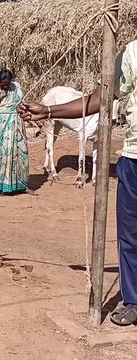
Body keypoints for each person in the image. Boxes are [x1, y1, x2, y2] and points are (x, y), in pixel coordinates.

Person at [18, 39, 136, 326]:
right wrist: (48, 112)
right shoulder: (133, 52)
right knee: (130, 236)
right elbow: (99, 99)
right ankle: (133, 300)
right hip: (134, 159)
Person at [0, 69, 36, 196]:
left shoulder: (16, 87)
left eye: (8, 84)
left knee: (20, 154)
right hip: (0, 126)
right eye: (3, 85)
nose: (6, 87)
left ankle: (21, 185)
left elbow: (21, 103)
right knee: (2, 155)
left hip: (16, 125)